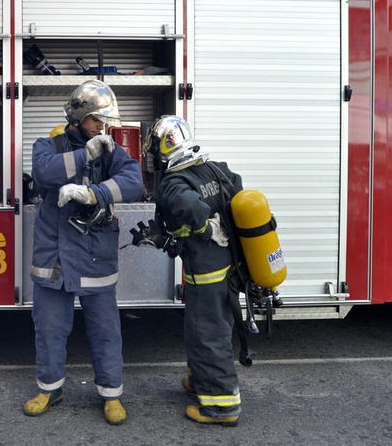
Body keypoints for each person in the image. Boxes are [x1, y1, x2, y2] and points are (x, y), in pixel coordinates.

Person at [23, 80, 144, 425]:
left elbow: (135, 181)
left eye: (104, 120)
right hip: (55, 259)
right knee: (49, 329)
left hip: (94, 256)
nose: (101, 126)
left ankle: (111, 395)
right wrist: (84, 156)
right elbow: (43, 172)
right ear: (77, 116)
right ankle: (50, 389)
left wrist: (95, 194)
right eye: (95, 119)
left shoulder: (111, 150)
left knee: (105, 331)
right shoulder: (48, 145)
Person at [146, 115, 243, 427]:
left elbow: (192, 208)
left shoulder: (174, 182)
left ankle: (221, 406)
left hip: (206, 271)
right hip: (227, 267)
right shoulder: (213, 168)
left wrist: (207, 228)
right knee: (209, 328)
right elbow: (237, 187)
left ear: (163, 148)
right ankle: (200, 379)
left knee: (207, 334)